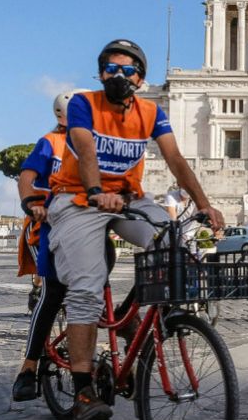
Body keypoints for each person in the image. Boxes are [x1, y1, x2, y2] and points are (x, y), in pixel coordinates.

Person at [47, 39, 224, 420]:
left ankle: (128, 317)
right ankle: (83, 392)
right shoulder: (84, 104)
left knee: (172, 238)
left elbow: (174, 158)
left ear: (140, 79)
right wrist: (96, 191)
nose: (119, 76)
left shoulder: (151, 111)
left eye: (128, 71)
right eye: (111, 69)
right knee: (87, 290)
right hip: (79, 199)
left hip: (128, 199)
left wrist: (205, 204)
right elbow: (85, 147)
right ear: (100, 73)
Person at [11, 89, 82, 402]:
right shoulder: (49, 143)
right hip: (46, 227)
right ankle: (28, 367)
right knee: (53, 291)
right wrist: (30, 203)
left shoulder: (90, 146)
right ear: (62, 116)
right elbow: (25, 177)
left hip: (80, 229)